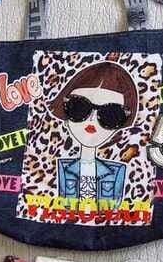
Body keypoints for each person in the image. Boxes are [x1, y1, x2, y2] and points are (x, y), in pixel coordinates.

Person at [48, 61, 138, 205]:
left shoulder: (118, 172)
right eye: (79, 107)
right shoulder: (55, 168)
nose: (92, 120)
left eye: (110, 115)